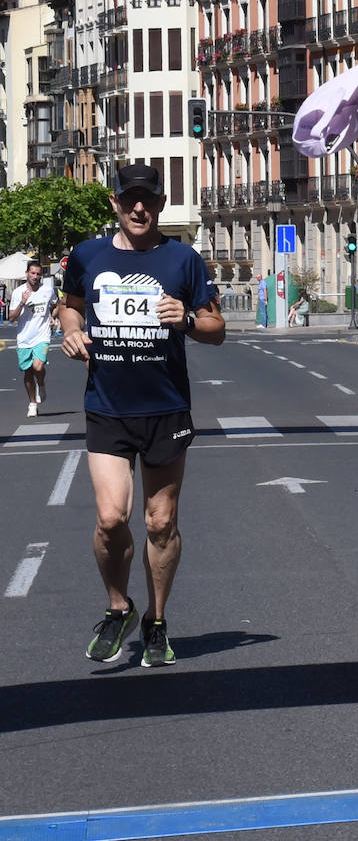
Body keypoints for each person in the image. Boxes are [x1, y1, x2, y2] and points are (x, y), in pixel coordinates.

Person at [58, 163, 226, 668]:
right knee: (111, 519)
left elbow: (217, 327)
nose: (138, 208)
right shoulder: (88, 255)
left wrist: (191, 319)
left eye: (147, 200)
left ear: (160, 202)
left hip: (165, 408)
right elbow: (71, 306)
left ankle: (155, 620)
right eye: (129, 198)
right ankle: (118, 606)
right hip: (107, 406)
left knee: (160, 521)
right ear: (114, 202)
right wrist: (69, 329)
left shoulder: (183, 260)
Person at [9, 259, 57, 417]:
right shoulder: (18, 292)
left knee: (38, 367)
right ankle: (32, 404)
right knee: (28, 372)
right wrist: (22, 302)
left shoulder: (48, 290)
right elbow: (11, 318)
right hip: (24, 338)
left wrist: (53, 317)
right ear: (27, 274)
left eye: (38, 274)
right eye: (32, 273)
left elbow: (57, 305)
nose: (35, 276)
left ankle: (41, 384)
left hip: (42, 336)